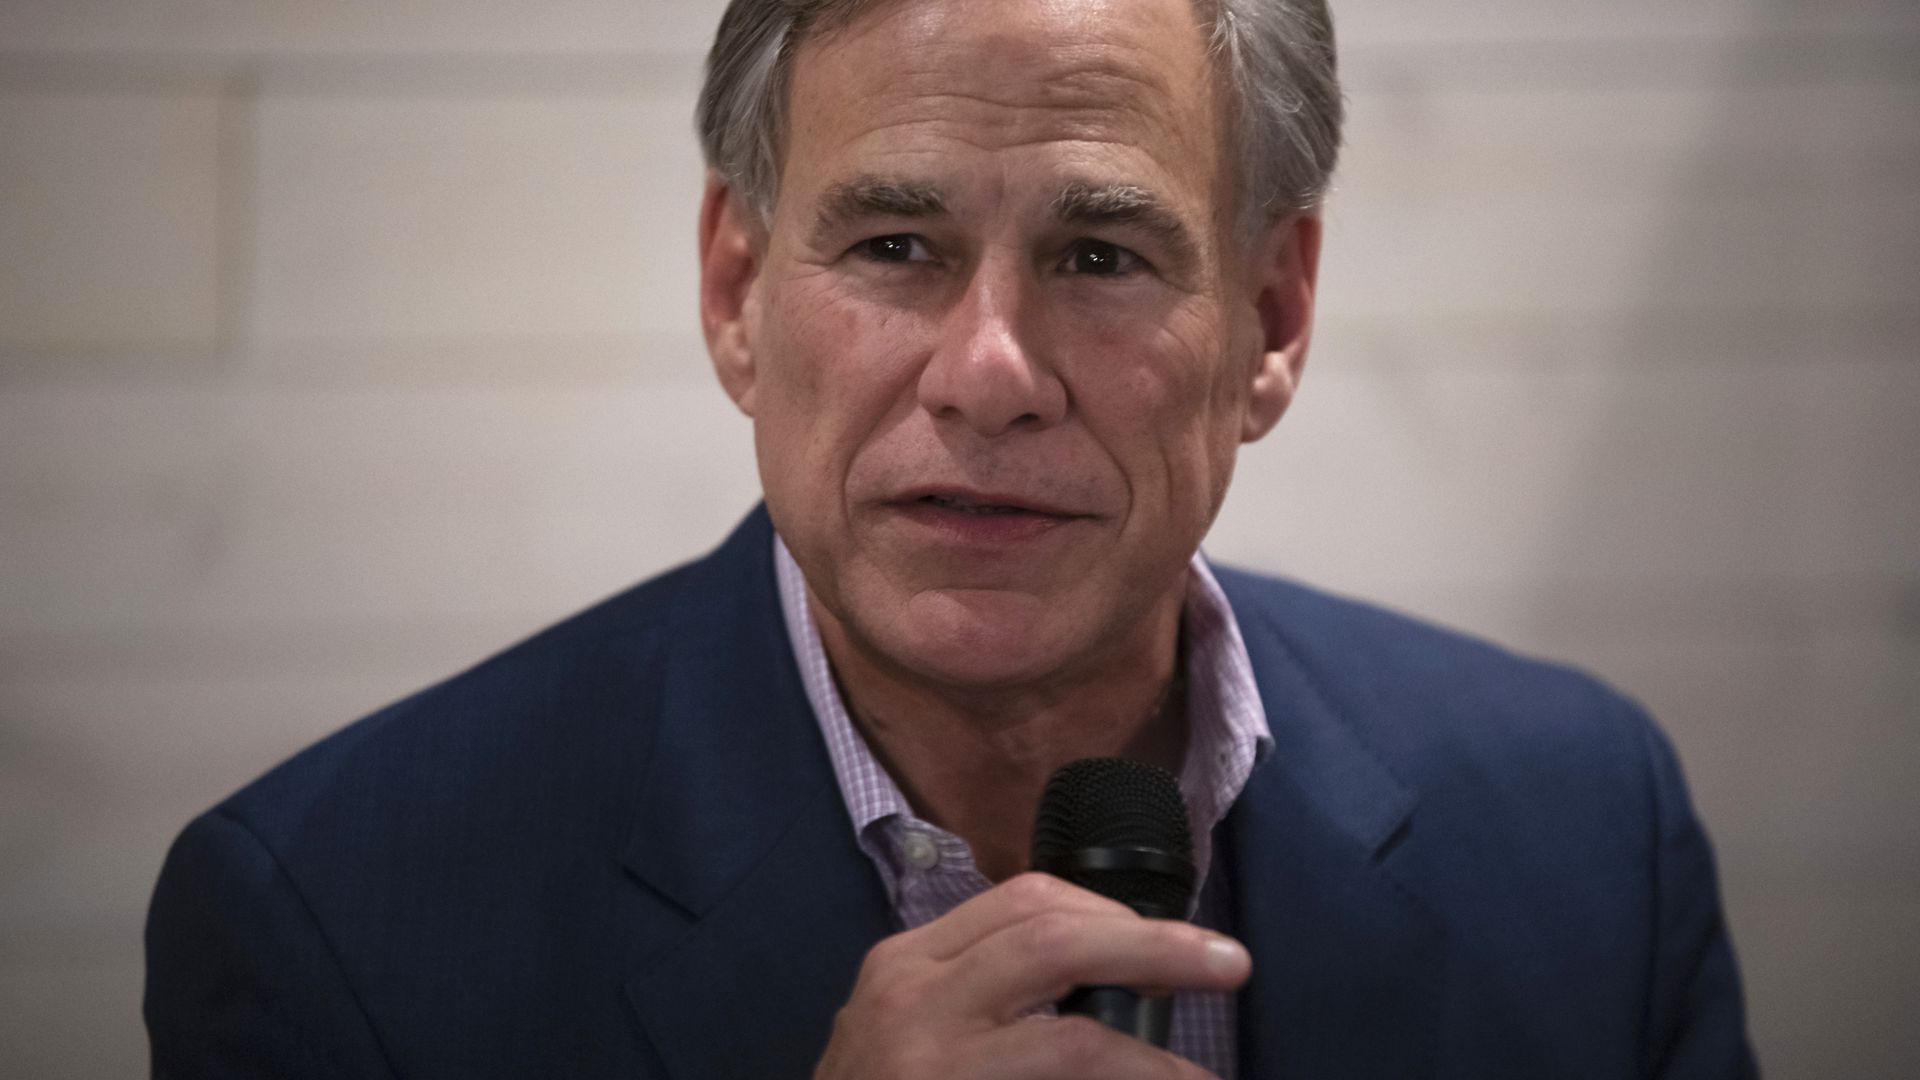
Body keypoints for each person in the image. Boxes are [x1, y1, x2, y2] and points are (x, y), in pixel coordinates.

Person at [144, 0, 1757, 1076]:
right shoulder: (330, 921)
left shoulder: (1587, 825)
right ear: (737, 296)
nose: (990, 374)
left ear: (1271, 316)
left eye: (1104, 253)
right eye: (897, 241)